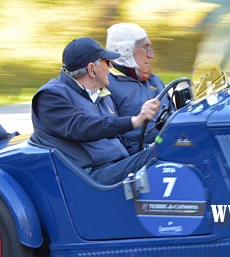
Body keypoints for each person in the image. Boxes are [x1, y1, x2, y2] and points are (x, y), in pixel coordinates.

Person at [31, 37, 160, 185]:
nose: (111, 66)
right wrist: (134, 121)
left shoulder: (102, 96)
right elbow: (82, 127)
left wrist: (145, 148)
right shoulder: (51, 96)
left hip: (115, 167)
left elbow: (123, 144)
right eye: (106, 61)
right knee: (162, 152)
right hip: (90, 178)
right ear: (91, 69)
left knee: (167, 146)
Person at [106, 22, 168, 154]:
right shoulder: (106, 86)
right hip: (141, 157)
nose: (151, 56)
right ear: (125, 51)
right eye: (145, 48)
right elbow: (111, 135)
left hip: (170, 145)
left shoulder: (154, 80)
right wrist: (146, 150)